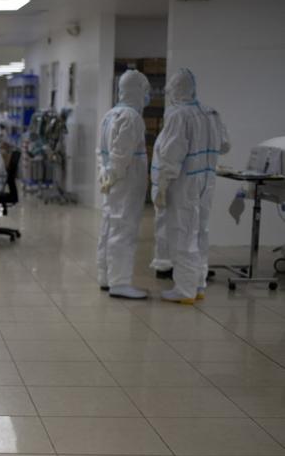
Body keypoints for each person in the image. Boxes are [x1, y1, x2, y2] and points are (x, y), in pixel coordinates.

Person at [151, 68, 230, 303]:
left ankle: (184, 290)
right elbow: (225, 145)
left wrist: (161, 186)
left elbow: (170, 155)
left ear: (176, 90)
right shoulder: (211, 113)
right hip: (207, 181)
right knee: (201, 232)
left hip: (184, 183)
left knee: (183, 233)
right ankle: (198, 284)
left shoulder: (178, 116)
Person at [95, 69, 150, 299]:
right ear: (137, 90)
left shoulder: (110, 115)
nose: (148, 95)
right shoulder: (132, 117)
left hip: (113, 181)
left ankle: (106, 276)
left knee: (110, 226)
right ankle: (120, 283)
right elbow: (122, 153)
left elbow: (101, 151)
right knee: (123, 228)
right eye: (146, 90)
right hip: (125, 182)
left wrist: (105, 174)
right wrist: (114, 173)